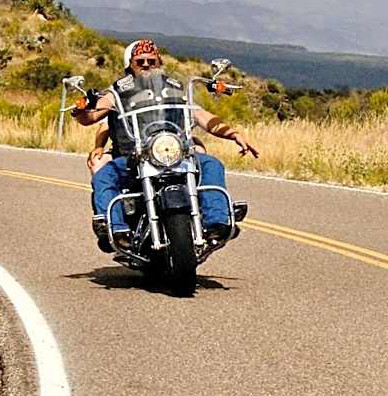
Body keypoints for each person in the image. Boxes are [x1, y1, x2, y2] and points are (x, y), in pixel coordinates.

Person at [73, 39, 258, 249]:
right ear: (129, 65)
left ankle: (218, 221)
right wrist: (83, 110)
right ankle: (114, 228)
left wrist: (233, 134)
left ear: (159, 63)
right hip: (132, 157)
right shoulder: (117, 91)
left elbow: (202, 116)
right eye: (139, 61)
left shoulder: (174, 89)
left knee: (211, 164)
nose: (145, 65)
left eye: (151, 61)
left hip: (174, 154)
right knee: (104, 176)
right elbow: (92, 116)